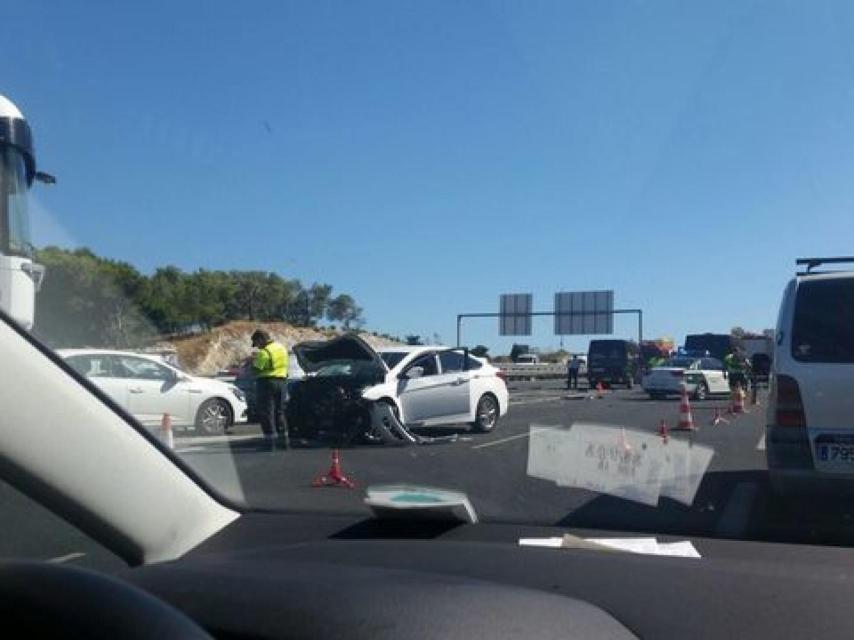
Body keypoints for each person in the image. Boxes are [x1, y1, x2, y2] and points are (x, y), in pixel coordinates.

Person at [251, 329, 289, 451]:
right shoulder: (282, 348)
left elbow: (256, 369)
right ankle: (284, 442)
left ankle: (269, 443)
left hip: (266, 383)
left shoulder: (263, 352)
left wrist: (252, 361)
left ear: (261, 339)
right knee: (280, 412)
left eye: (256, 343)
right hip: (282, 382)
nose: (257, 346)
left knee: (267, 413)